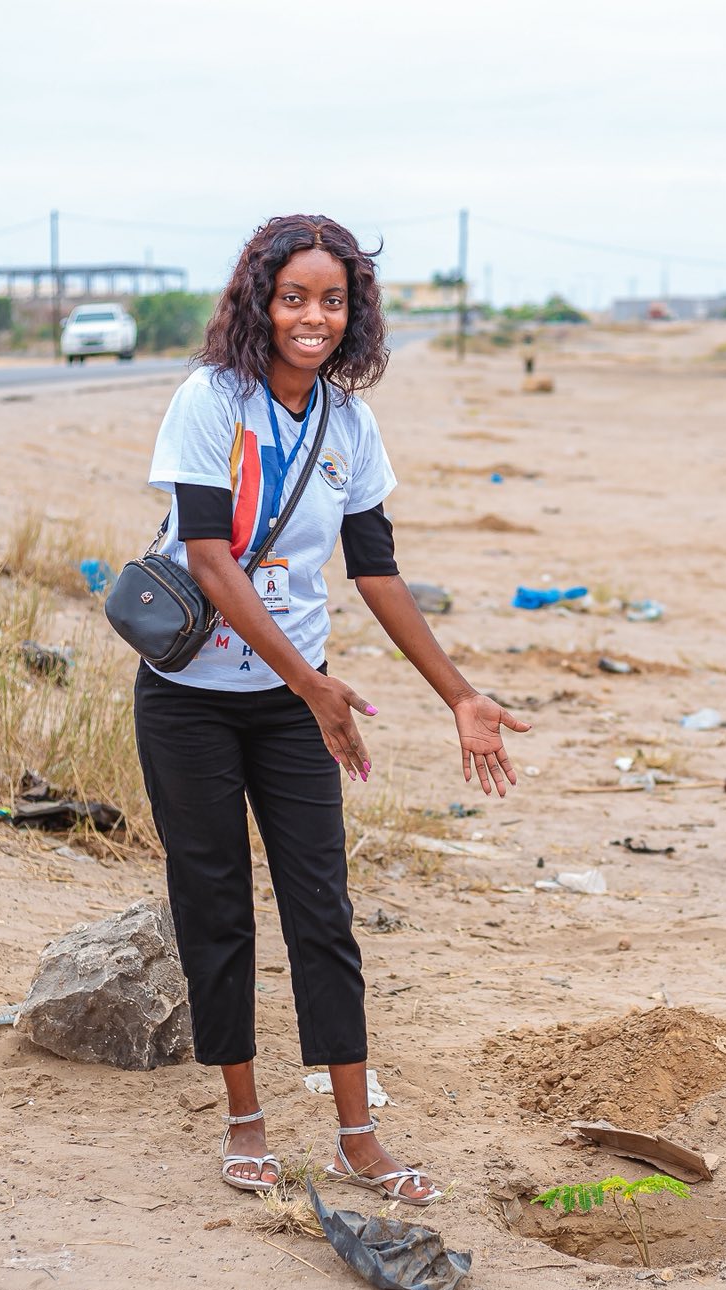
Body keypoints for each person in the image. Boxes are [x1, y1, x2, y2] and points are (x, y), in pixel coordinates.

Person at [135, 214, 529, 1206]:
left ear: (352, 313)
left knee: (324, 913)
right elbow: (210, 556)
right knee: (215, 905)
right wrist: (310, 679)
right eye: (293, 296)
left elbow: (378, 572)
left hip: (294, 710)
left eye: (331, 299)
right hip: (188, 700)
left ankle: (359, 1138)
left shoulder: (348, 425)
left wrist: (459, 694)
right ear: (259, 302)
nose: (312, 316)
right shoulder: (208, 402)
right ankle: (244, 1120)